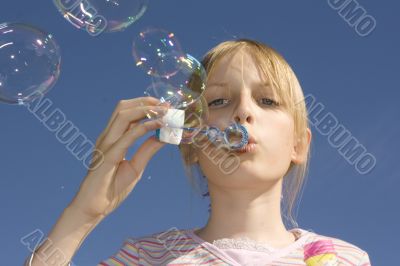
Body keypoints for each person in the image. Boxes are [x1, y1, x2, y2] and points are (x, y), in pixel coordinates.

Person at [25, 39, 371, 266]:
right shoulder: (146, 257)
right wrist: (84, 213)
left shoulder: (343, 259)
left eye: (267, 100)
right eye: (219, 100)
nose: (243, 112)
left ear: (299, 144)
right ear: (190, 142)